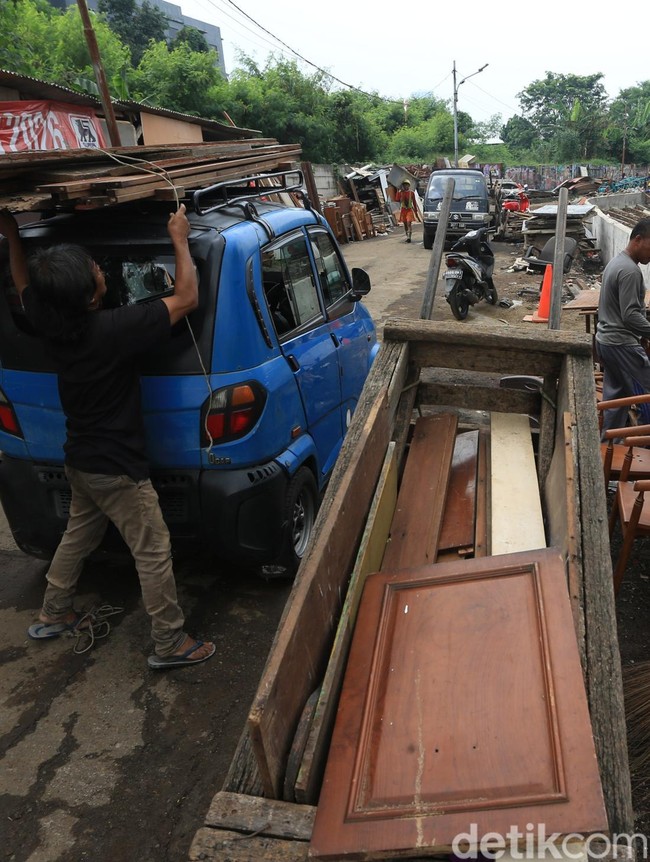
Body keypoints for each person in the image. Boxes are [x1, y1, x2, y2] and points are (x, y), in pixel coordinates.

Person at [0, 206, 215, 670]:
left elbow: (22, 285)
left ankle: (55, 612)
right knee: (153, 550)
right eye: (95, 271)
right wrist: (178, 237)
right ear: (93, 298)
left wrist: (13, 236)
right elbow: (187, 297)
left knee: (78, 535)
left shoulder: (47, 320)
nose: (100, 269)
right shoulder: (115, 329)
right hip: (118, 469)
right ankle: (169, 641)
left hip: (80, 459)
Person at [596, 218, 650, 436]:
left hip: (607, 342)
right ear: (638, 239)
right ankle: (646, 445)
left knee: (617, 400)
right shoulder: (630, 271)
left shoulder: (616, 263)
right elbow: (630, 316)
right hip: (621, 344)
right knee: (646, 392)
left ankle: (609, 443)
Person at [395, 179, 420, 243]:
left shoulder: (411, 193)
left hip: (409, 210)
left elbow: (414, 202)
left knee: (409, 223)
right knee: (405, 224)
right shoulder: (401, 193)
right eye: (404, 185)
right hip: (403, 210)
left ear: (409, 186)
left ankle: (409, 237)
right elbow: (397, 199)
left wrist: (416, 212)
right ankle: (407, 236)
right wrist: (398, 190)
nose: (406, 186)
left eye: (407, 185)